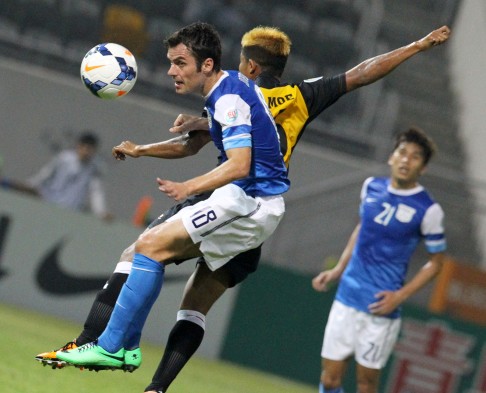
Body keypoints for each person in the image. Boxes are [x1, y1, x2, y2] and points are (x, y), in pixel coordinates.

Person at [34, 24, 451, 393]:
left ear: (248, 65)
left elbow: (227, 155)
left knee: (143, 251)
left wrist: (187, 176)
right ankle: (146, 377)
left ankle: (102, 345)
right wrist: (416, 46)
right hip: (242, 204)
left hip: (241, 197)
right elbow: (360, 74)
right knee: (182, 288)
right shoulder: (296, 94)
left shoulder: (232, 91)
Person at [54, 21, 289, 373]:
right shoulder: (227, 88)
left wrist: (189, 188)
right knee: (149, 246)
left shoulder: (227, 99)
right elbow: (192, 145)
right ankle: (126, 348)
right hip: (242, 198)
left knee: (150, 247)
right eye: (170, 62)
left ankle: (110, 347)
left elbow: (241, 164)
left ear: (206, 65)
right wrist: (141, 150)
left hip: (253, 203)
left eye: (180, 63)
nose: (171, 71)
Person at [312, 127, 447, 393]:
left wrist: (400, 296)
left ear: (424, 168)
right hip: (347, 298)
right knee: (329, 380)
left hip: (380, 309)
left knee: (366, 385)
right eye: (402, 153)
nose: (406, 160)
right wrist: (339, 268)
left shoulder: (429, 210)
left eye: (416, 157)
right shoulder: (371, 186)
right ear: (391, 157)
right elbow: (363, 227)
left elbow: (436, 263)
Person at [0, 131, 112, 221]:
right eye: (84, 147)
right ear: (79, 146)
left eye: (90, 149)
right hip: (50, 202)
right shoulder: (64, 159)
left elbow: (96, 192)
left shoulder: (95, 169)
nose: (86, 152)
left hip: (71, 211)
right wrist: (29, 185)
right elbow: (45, 174)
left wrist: (101, 212)